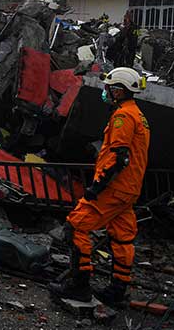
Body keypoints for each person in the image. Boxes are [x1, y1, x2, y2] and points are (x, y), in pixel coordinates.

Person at [49, 67, 150, 305]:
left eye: (109, 87)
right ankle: (117, 291)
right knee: (122, 237)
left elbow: (119, 157)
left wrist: (98, 186)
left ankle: (78, 285)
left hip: (113, 188)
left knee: (76, 225)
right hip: (129, 189)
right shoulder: (139, 116)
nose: (106, 91)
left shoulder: (123, 117)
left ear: (119, 90)